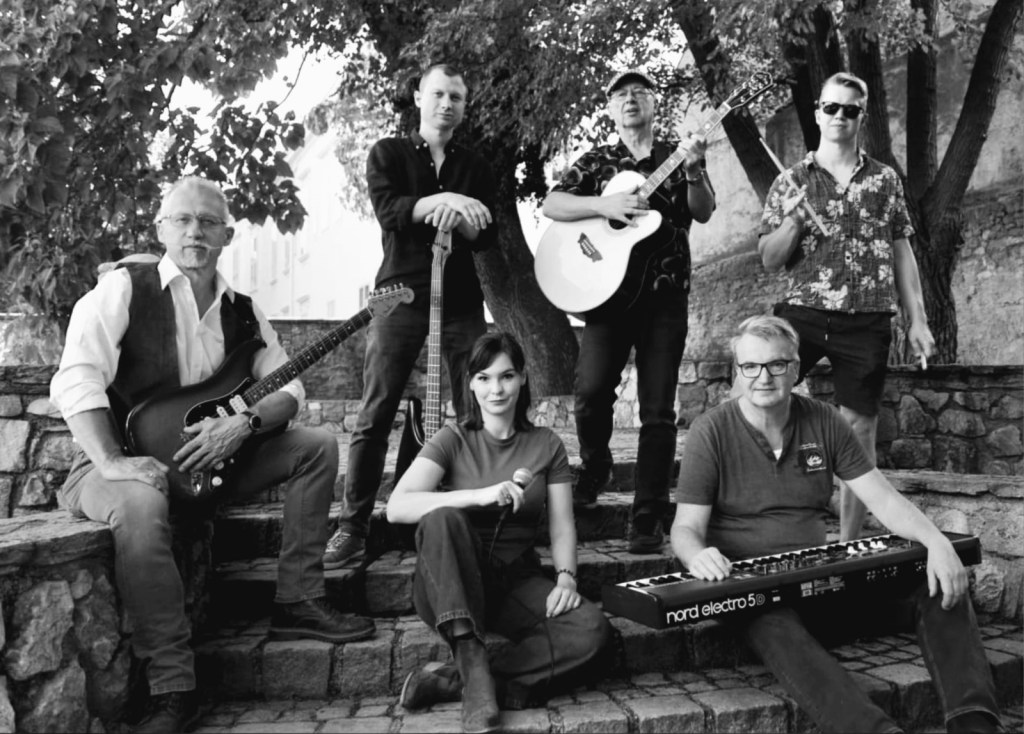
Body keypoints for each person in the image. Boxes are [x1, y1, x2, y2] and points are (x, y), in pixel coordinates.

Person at [50, 176, 376, 734]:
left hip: (209, 465)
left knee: (318, 446)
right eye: (182, 220)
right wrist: (111, 463)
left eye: (207, 222)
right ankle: (173, 687)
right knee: (140, 505)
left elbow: (290, 389)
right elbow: (76, 377)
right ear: (161, 229)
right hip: (116, 460)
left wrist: (244, 424)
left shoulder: (244, 312)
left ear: (227, 235)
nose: (194, 231)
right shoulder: (124, 290)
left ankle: (298, 599)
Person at [671, 315, 1002, 734]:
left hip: (818, 580)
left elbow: (883, 499)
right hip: (750, 593)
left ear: (796, 368)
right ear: (737, 371)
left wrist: (937, 542)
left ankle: (975, 724)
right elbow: (685, 529)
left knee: (937, 578)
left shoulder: (825, 420)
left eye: (776, 364)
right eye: (750, 366)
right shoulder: (710, 432)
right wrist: (698, 556)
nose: (763, 377)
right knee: (770, 617)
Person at [386, 332, 612, 734]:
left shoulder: (546, 445)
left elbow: (562, 524)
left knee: (592, 630)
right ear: (471, 383)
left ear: (522, 378)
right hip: (450, 580)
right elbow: (396, 507)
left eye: (506, 376)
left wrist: (566, 577)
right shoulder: (452, 438)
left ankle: (460, 680)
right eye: (485, 378)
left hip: (515, 582)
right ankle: (472, 666)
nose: (496, 389)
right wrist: (478, 496)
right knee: (443, 517)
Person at [324, 62, 498, 570]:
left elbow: (483, 234)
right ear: (419, 96)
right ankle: (353, 526)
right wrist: (445, 199)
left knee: (475, 406)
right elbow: (391, 212)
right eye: (438, 94)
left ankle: (472, 515)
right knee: (376, 410)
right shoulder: (388, 153)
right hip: (396, 294)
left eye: (456, 98)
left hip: (460, 298)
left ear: (464, 106)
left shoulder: (476, 166)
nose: (447, 104)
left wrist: (455, 212)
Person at [542, 69, 716, 554]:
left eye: (639, 91)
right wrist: (604, 204)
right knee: (590, 392)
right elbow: (553, 204)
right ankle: (595, 467)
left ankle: (648, 515)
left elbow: (703, 211)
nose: (630, 99)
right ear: (611, 108)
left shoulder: (679, 155)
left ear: (654, 104)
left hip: (665, 296)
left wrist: (694, 170)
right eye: (620, 94)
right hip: (608, 295)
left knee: (658, 410)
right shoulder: (598, 161)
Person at [758, 71, 936, 541]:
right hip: (803, 311)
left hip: (867, 317)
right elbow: (770, 259)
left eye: (850, 109)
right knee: (754, 400)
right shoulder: (790, 180)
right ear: (818, 113)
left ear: (862, 116)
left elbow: (902, 252)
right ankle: (753, 519)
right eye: (831, 107)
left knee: (859, 432)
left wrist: (917, 320)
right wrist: (794, 222)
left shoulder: (884, 180)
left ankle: (849, 544)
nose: (840, 115)